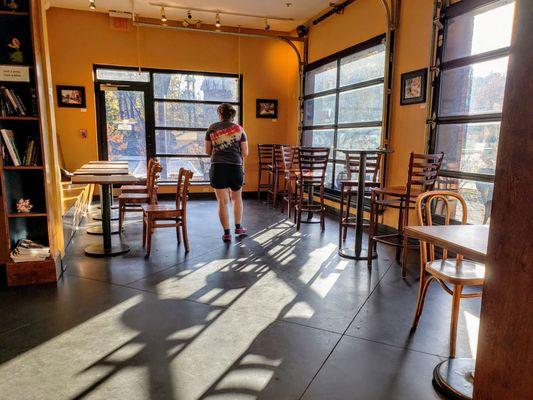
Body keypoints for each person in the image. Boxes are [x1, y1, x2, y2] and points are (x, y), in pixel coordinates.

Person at [205, 103, 249, 242]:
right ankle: (238, 227)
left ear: (219, 114)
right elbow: (245, 152)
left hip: (218, 167)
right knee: (237, 198)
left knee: (222, 202)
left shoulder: (212, 128)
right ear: (233, 115)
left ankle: (227, 233)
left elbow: (207, 151)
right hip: (235, 167)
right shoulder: (239, 129)